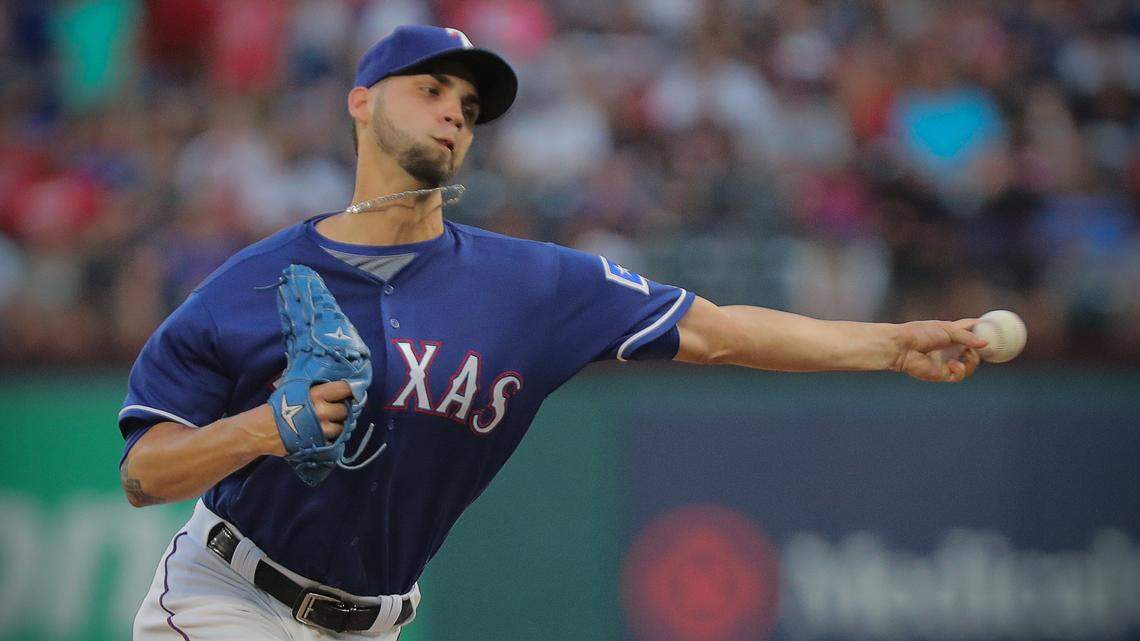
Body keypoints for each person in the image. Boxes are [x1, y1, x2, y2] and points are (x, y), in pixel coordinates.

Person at [119, 25, 986, 641]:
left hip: (374, 621)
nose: (455, 112)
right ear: (360, 104)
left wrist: (888, 344)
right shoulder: (249, 284)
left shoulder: (532, 285)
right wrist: (260, 429)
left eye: (468, 104)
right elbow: (145, 471)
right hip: (227, 601)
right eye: (429, 89)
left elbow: (720, 333)